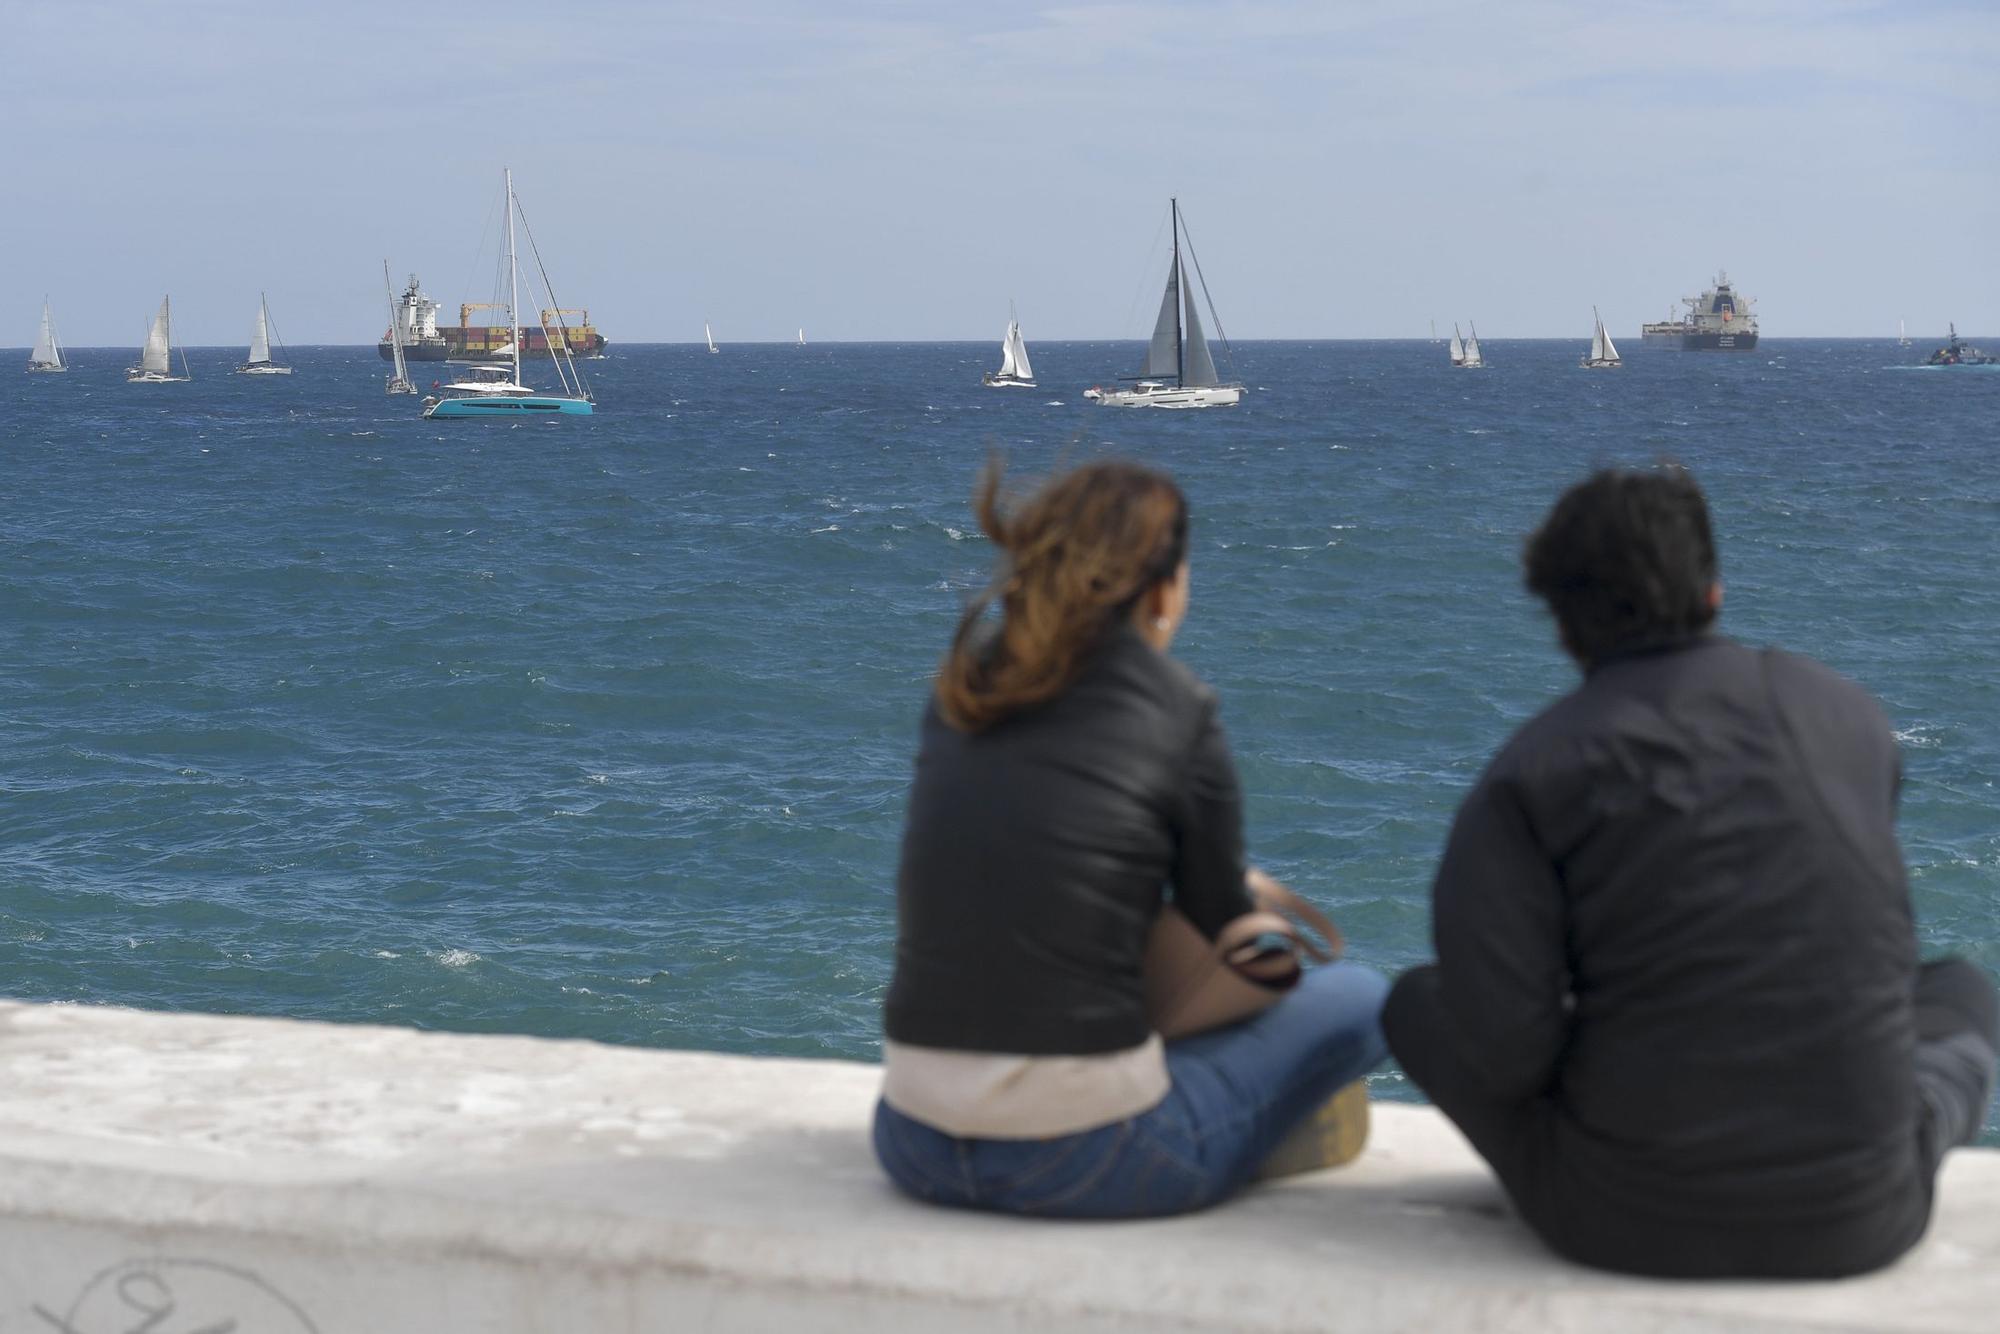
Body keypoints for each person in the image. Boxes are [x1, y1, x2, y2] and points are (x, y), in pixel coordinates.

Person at [1385, 464, 1999, 1278]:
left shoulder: (1526, 776)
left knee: (1417, 1002)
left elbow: (1509, 1057)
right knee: (1961, 991)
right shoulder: (1845, 713)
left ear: (1564, 623)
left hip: (1622, 1222)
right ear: (1712, 590)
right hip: (1862, 1217)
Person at [875, 458, 1388, 1218]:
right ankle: (1253, 1134)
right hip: (1090, 1159)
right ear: (1162, 588)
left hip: (912, 1139)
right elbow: (1221, 924)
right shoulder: (1177, 707)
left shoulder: (964, 688)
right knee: (1364, 997)